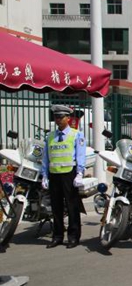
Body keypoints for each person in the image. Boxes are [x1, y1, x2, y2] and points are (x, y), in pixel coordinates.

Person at [43, 105, 87, 249]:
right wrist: (45, 175)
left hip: (69, 173)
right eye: (56, 117)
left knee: (72, 205)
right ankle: (57, 236)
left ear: (68, 118)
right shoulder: (50, 136)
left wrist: (80, 173)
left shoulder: (76, 135)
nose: (58, 120)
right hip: (54, 174)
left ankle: (73, 237)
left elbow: (80, 155)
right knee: (56, 207)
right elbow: (46, 157)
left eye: (61, 117)